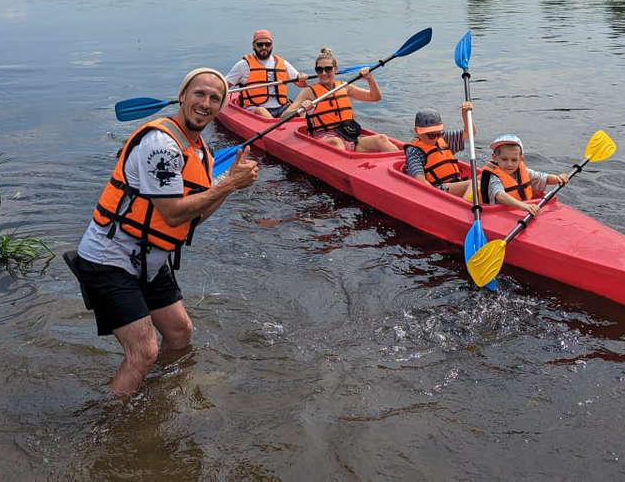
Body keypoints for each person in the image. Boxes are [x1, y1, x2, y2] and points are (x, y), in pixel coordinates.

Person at [66, 68, 259, 396]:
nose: (206, 103)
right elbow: (171, 214)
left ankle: (161, 394)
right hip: (110, 258)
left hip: (150, 258)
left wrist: (228, 188)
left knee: (181, 333)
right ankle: (117, 424)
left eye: (215, 98)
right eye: (199, 93)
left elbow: (194, 217)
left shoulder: (202, 153)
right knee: (144, 351)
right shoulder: (160, 145)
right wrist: (227, 182)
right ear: (183, 96)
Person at [286, 47, 397, 153]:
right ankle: (349, 169)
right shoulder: (309, 91)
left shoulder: (344, 87)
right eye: (319, 70)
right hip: (324, 140)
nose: (324, 73)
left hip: (348, 135)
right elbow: (285, 116)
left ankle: (406, 169)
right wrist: (301, 109)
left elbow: (375, 97)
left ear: (336, 69)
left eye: (328, 69)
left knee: (381, 139)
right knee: (336, 141)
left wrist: (369, 79)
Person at [472, 134, 569, 216]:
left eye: (514, 160)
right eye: (504, 159)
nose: (509, 164)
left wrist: (557, 179)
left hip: (526, 210)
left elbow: (543, 177)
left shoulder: (525, 172)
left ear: (521, 159)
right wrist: (523, 206)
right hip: (500, 213)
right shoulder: (494, 177)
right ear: (495, 157)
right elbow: (499, 195)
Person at [224, 28, 308, 118]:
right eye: (260, 44)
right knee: (261, 111)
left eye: (267, 44)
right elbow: (223, 86)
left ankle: (302, 129)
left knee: (301, 108)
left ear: (272, 45)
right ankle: (275, 130)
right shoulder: (243, 65)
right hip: (256, 109)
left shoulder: (282, 63)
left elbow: (302, 85)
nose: (264, 47)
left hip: (282, 108)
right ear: (253, 46)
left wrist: (302, 78)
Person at [403, 103, 474, 197]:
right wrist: (437, 197)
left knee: (484, 177)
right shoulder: (414, 151)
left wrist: (465, 114)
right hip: (437, 188)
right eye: (431, 135)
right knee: (472, 184)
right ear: (417, 131)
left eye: (438, 133)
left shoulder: (444, 138)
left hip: (455, 183)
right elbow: (420, 180)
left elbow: (469, 132)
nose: (435, 138)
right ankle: (465, 208)